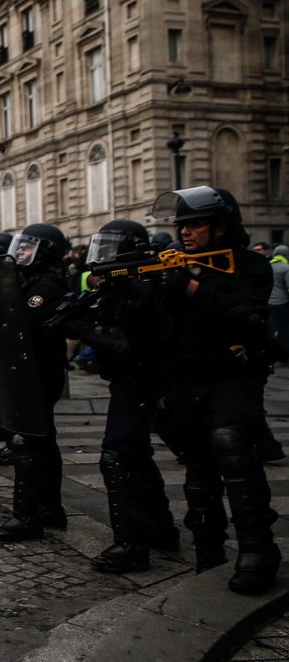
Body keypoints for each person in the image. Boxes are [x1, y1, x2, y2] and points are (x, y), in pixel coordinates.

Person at [149, 186, 280, 594]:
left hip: (231, 375)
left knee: (233, 449)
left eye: (195, 224)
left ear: (221, 228)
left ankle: (258, 550)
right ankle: (209, 551)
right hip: (184, 379)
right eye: (182, 226)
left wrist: (190, 287)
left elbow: (247, 317)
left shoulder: (249, 266)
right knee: (197, 465)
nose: (185, 232)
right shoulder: (173, 264)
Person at [60, 219, 180, 573]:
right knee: (136, 454)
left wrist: (80, 327)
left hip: (146, 379)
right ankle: (160, 528)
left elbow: (125, 342)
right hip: (130, 380)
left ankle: (131, 545)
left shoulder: (147, 285)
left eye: (114, 248)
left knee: (119, 454)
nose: (105, 256)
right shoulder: (114, 287)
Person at [0, 224, 72, 540]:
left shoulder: (48, 287)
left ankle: (27, 516)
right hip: (29, 369)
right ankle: (50, 507)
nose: (21, 252)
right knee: (43, 439)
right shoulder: (30, 281)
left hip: (39, 370)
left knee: (29, 439)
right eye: (20, 246)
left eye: (28, 247)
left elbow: (26, 323)